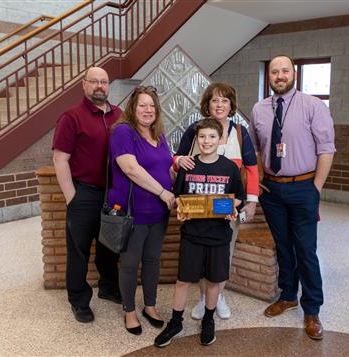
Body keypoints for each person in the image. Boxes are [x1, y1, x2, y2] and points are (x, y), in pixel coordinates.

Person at [248, 54, 336, 340]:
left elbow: (326, 149)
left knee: (305, 250)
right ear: (269, 76)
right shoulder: (259, 109)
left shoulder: (313, 106)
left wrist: (315, 188)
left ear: (293, 74)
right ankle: (288, 295)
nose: (280, 76)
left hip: (303, 188)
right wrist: (260, 180)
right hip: (272, 191)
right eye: (274, 72)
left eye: (285, 71)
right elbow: (256, 150)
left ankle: (312, 308)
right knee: (283, 246)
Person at [154, 118, 245, 348]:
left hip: (219, 236)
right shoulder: (188, 166)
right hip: (192, 235)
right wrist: (180, 211)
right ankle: (176, 322)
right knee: (183, 281)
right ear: (196, 139)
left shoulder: (229, 168)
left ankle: (208, 320)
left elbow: (238, 198)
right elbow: (180, 198)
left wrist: (231, 209)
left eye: (212, 136)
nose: (207, 141)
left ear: (220, 139)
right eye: (202, 136)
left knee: (214, 280)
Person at [173, 83, 259, 320]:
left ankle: (218, 296)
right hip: (197, 209)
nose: (219, 105)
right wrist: (179, 161)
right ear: (207, 105)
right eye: (214, 100)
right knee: (200, 255)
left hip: (226, 209)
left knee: (224, 254)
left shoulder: (240, 133)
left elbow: (251, 170)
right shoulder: (194, 130)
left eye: (224, 101)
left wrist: (251, 202)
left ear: (231, 105)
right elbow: (176, 160)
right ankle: (203, 298)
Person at [52, 67, 122, 323]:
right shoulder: (71, 117)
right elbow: (60, 159)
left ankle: (109, 288)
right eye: (94, 81)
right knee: (79, 252)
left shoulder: (119, 115)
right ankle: (79, 301)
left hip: (112, 195)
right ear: (84, 85)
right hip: (84, 195)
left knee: (110, 247)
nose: (100, 86)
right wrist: (73, 197)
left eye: (104, 81)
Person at [108, 86, 176, 335]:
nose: (148, 110)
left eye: (152, 106)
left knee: (152, 260)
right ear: (133, 109)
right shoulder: (123, 132)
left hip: (159, 212)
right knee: (129, 262)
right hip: (133, 213)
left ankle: (150, 305)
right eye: (142, 105)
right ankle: (129, 311)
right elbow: (131, 169)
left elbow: (165, 167)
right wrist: (163, 192)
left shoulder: (160, 135)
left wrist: (177, 179)